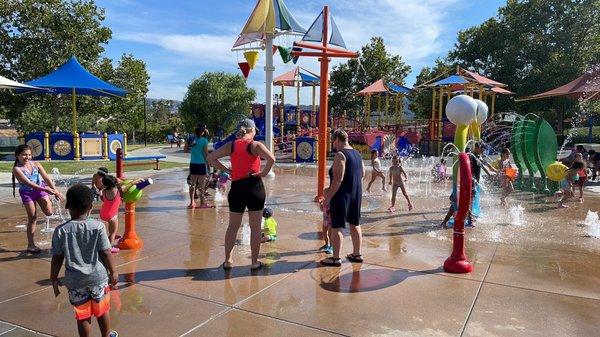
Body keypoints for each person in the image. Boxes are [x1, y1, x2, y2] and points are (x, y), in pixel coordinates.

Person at [207, 118, 275, 270]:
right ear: (251, 131)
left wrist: (228, 171)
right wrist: (263, 173)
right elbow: (272, 159)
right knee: (256, 227)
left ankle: (228, 261)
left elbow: (210, 158)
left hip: (237, 188)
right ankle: (254, 262)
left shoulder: (231, 146)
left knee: (233, 226)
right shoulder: (256, 145)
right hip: (254, 188)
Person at [50, 184, 118, 337]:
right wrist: (113, 271)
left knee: (83, 314)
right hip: (98, 278)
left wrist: (53, 278)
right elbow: (106, 252)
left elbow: (57, 258)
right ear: (91, 207)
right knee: (102, 310)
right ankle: (106, 335)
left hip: (75, 281)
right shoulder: (98, 227)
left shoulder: (61, 230)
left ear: (67, 205)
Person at [320, 129, 365, 267]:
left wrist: (328, 196)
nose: (333, 146)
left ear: (337, 140)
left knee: (336, 226)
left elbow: (337, 180)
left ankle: (335, 258)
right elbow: (362, 174)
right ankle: (357, 254)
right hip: (356, 194)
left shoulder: (341, 155)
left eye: (333, 142)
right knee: (355, 224)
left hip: (341, 195)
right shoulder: (357, 154)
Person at [12, 144, 64, 254]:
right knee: (33, 217)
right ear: (17, 155)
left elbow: (46, 177)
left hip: (40, 190)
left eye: (29, 155)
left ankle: (47, 200)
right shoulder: (17, 169)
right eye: (24, 155)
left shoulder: (36, 164)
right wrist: (46, 190)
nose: (27, 157)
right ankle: (31, 245)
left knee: (49, 212)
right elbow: (29, 183)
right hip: (27, 193)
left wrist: (55, 190)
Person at [99, 175, 143, 253]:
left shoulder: (104, 191)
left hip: (103, 213)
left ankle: (113, 235)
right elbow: (130, 184)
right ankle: (109, 248)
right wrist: (138, 180)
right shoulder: (119, 191)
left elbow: (103, 199)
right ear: (115, 183)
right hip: (111, 215)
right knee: (113, 232)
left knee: (111, 225)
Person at [467, 143, 495, 226]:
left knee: (472, 198)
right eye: (482, 149)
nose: (483, 151)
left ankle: (470, 216)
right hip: (471, 181)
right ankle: (470, 218)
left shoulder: (479, 156)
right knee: (470, 200)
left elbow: (485, 165)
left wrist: (494, 172)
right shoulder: (471, 156)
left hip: (475, 181)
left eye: (483, 150)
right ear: (476, 148)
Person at [184, 125, 211, 208]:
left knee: (192, 184)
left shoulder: (190, 140)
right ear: (202, 132)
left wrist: (193, 150)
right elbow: (206, 154)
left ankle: (192, 203)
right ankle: (202, 203)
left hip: (193, 164)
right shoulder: (204, 140)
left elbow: (185, 150)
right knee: (201, 185)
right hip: (202, 164)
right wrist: (209, 165)